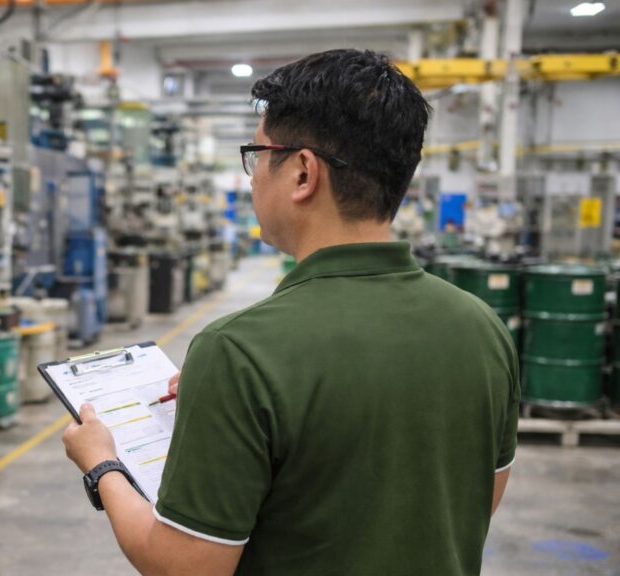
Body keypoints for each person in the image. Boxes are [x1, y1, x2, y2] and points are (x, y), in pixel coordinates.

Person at [61, 49, 518, 575]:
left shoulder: (239, 351)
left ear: (303, 173)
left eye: (257, 155)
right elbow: (474, 501)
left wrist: (103, 464)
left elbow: (184, 567)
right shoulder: (482, 328)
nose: (253, 178)